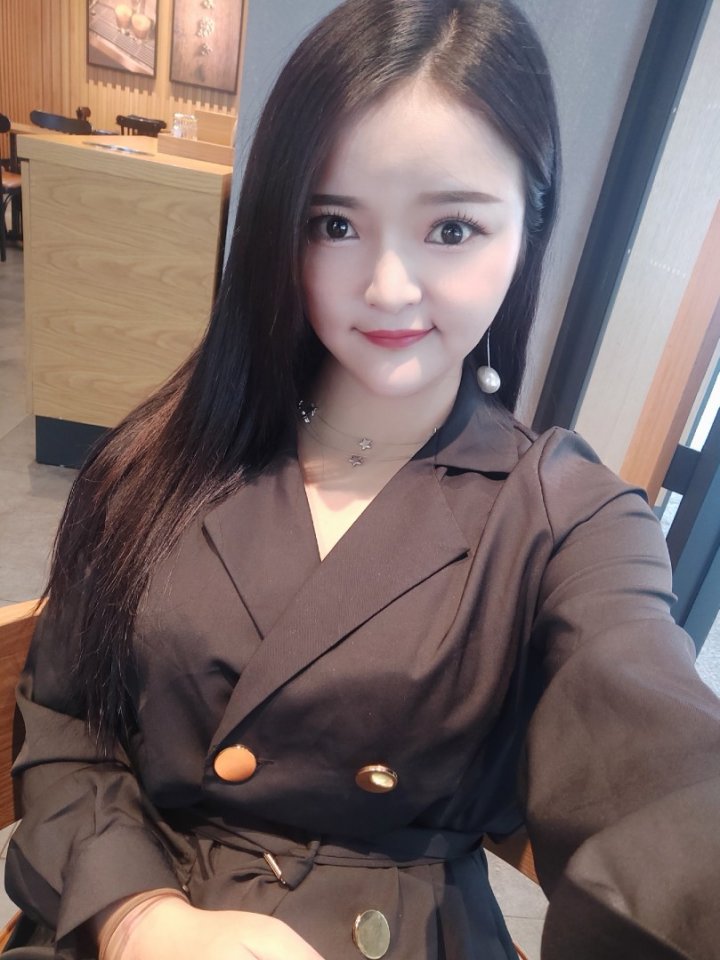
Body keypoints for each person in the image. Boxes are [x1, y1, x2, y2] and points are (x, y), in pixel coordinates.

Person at [4, 0, 719, 958]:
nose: (388, 287)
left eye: (453, 229)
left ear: (528, 230)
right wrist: (140, 920)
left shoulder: (565, 517)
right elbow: (64, 720)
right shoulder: (162, 455)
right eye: (334, 223)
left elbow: (661, 762)